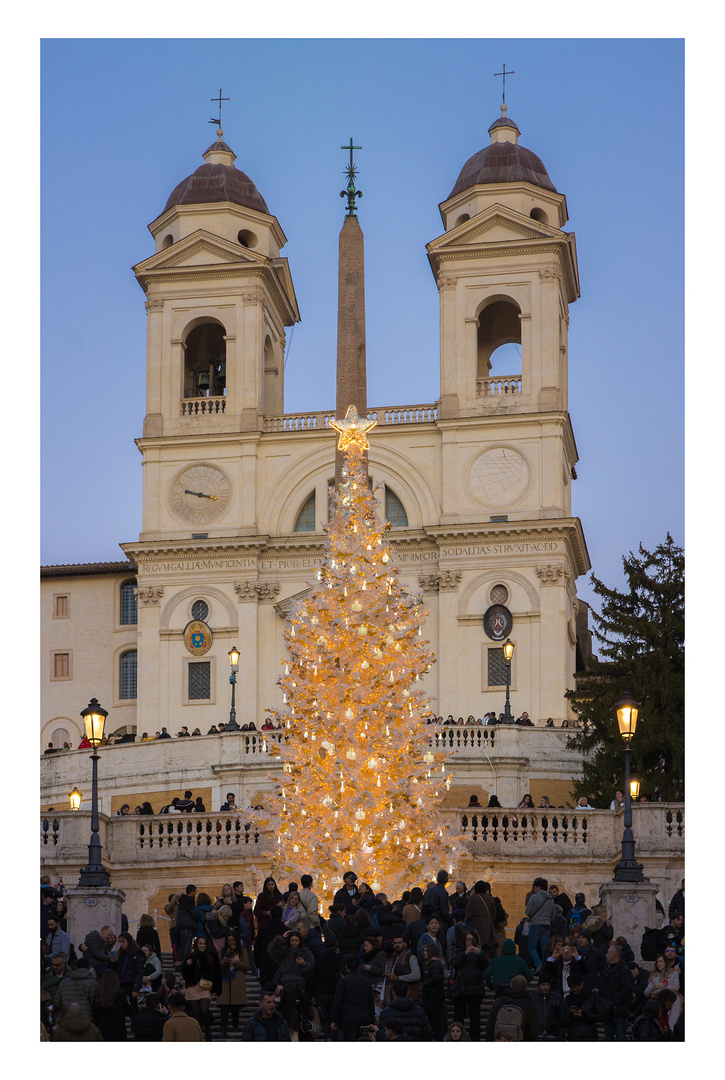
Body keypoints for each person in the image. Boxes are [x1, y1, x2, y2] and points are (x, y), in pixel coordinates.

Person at [182, 934, 222, 1040]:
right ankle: (199, 1035)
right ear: (196, 945)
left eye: (204, 944)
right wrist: (187, 965)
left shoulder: (212, 956)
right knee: (196, 1014)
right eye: (200, 943)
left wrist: (217, 989)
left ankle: (208, 1031)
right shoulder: (191, 957)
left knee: (204, 1009)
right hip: (193, 987)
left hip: (205, 987)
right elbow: (185, 975)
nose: (202, 946)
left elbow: (217, 973)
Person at [450, 929, 487, 1041]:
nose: (469, 941)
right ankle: (457, 1039)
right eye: (467, 939)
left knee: (475, 1016)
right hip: (461, 989)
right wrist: (465, 953)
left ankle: (474, 1040)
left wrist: (479, 954)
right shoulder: (459, 952)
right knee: (458, 1016)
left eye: (472, 939)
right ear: (464, 941)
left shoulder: (480, 953)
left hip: (475, 989)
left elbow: (487, 966)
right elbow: (454, 964)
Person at [330, 955, 376, 1041]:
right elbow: (370, 1002)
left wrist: (334, 1019)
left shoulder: (343, 981)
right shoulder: (366, 981)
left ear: (346, 966)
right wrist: (372, 1021)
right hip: (364, 1018)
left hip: (348, 1018)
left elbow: (337, 1001)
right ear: (359, 967)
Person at [593, 943, 634, 1041]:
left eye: (608, 953)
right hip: (608, 1012)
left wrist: (614, 1002)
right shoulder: (607, 971)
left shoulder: (624, 970)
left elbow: (627, 989)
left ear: (613, 955)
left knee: (620, 1037)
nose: (606, 955)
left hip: (618, 1011)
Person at [486, 974, 539, 1041]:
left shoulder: (499, 1001)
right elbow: (533, 1032)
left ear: (511, 985)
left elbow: (490, 1026)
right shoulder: (531, 1005)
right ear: (526, 988)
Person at [217, 931, 249, 1038]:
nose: (230, 942)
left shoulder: (243, 951)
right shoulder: (222, 951)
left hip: (236, 980)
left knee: (235, 1005)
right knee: (224, 1007)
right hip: (225, 981)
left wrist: (236, 962)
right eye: (228, 940)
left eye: (232, 940)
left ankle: (235, 1024)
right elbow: (217, 966)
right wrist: (224, 961)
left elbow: (246, 966)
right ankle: (223, 1029)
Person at [267, 928, 315, 995]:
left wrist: (304, 964)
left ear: (300, 941)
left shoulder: (306, 952)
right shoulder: (284, 951)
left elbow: (311, 966)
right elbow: (272, 950)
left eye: (296, 941)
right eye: (292, 940)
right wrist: (282, 938)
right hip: (285, 979)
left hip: (299, 979)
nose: (294, 943)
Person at [523, 877, 556, 972]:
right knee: (545, 948)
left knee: (531, 946)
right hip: (547, 926)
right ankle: (546, 966)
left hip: (536, 925)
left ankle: (538, 963)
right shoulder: (551, 900)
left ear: (538, 887)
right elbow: (553, 915)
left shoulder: (534, 897)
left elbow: (527, 911)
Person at [254, 904, 287, 986]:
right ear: (282, 916)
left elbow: (257, 949)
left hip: (266, 965)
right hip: (282, 968)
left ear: (271, 916)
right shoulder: (287, 931)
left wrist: (258, 964)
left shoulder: (263, 930)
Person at [420, 941, 447, 1041]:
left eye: (426, 951)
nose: (424, 953)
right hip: (433, 997)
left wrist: (425, 984)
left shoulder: (434, 963)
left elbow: (436, 977)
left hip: (433, 997)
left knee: (435, 1020)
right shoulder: (434, 963)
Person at [93, 969, 129, 1040]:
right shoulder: (120, 993)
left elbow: (95, 1012)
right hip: (118, 1027)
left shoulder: (98, 994)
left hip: (103, 1027)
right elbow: (127, 1010)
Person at [466, 879, 498, 958]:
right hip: (488, 928)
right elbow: (494, 915)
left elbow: (468, 912)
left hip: (477, 927)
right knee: (488, 950)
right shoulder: (490, 899)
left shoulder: (473, 899)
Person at [530, 975, 566, 1040]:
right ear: (539, 985)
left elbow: (562, 1018)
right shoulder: (532, 998)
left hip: (553, 1035)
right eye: (543, 985)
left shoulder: (557, 999)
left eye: (548, 985)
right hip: (537, 1035)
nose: (546, 987)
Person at [116, 931, 145, 1009]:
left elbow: (139, 972)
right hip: (120, 985)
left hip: (130, 985)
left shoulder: (137, 954)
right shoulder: (121, 954)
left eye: (123, 941)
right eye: (120, 942)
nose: (121, 944)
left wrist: (135, 988)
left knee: (133, 1008)